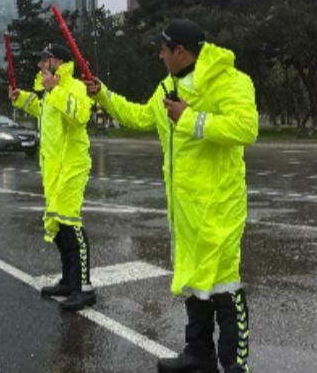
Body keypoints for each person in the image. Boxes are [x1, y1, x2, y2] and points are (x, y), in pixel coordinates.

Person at [84, 19, 257, 373]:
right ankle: (198, 354)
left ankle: (235, 364)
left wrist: (190, 118)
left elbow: (246, 128)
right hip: (183, 211)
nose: (160, 55)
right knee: (193, 283)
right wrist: (102, 93)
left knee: (225, 286)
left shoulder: (230, 81)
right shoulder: (167, 86)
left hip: (219, 208)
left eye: (164, 49)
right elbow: (139, 116)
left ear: (180, 51)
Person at [9, 43, 95, 311]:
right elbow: (42, 108)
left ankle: (84, 287)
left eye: (44, 61)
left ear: (56, 62)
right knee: (59, 227)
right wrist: (20, 98)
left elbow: (80, 115)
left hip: (72, 167)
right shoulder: (49, 93)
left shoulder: (74, 87)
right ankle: (69, 282)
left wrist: (55, 90)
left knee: (71, 226)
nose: (39, 66)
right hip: (53, 170)